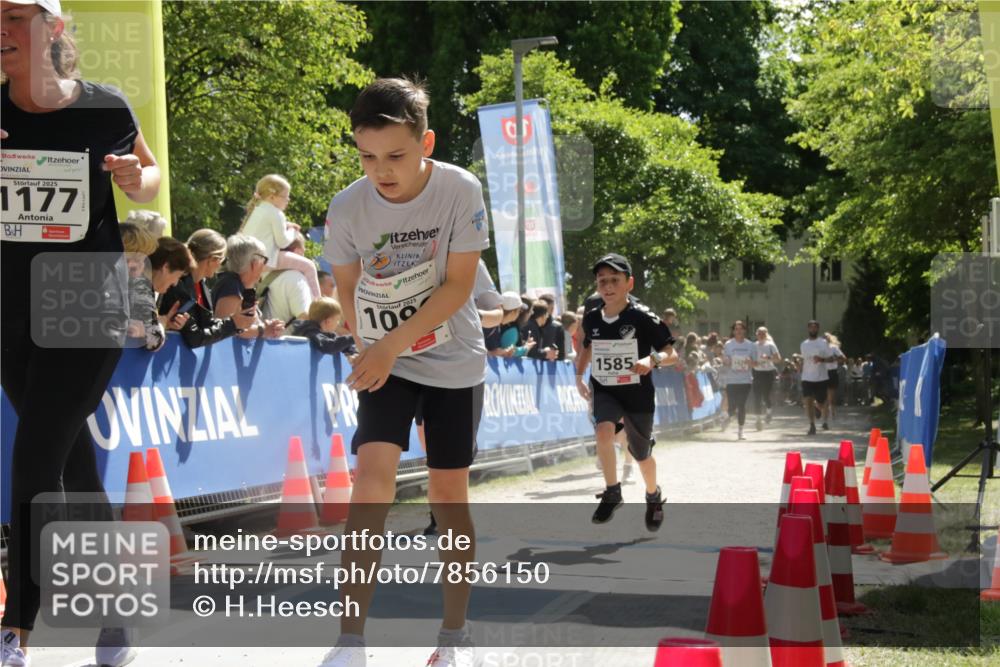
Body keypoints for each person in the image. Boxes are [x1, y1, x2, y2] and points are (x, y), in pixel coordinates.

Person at [0, 2, 161, 664]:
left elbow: (148, 174)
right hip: (9, 306)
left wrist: (136, 178)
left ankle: (17, 628)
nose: (2, 29)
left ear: (54, 27)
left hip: (83, 300)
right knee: (71, 460)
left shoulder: (103, 105)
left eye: (15, 15)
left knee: (36, 456)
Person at [320, 77, 489, 667]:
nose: (381, 171)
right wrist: (372, 347)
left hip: (454, 358)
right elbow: (347, 290)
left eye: (395, 155)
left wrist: (390, 345)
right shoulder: (346, 207)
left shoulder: (460, 189)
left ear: (426, 143)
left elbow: (459, 286)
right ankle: (349, 642)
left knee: (448, 496)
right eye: (367, 157)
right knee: (371, 484)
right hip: (385, 358)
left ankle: (455, 637)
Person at [575, 253, 676, 529]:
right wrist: (579, 376)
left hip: (637, 394)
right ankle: (612, 491)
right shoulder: (592, 318)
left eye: (614, 280)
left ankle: (653, 495)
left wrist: (651, 360)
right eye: (602, 281)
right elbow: (587, 347)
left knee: (641, 455)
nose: (608, 286)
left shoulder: (643, 317)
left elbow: (671, 353)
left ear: (629, 283)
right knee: (603, 432)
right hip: (605, 389)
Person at [159, 229, 254, 348]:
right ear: (212, 259)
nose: (221, 266)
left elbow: (207, 324)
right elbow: (194, 337)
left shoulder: (201, 284)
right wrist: (233, 324)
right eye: (222, 260)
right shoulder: (179, 285)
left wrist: (237, 321)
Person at [240, 173, 322, 299]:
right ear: (272, 197)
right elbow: (282, 242)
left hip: (248, 261)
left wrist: (286, 225)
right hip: (265, 260)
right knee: (309, 266)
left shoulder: (258, 209)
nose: (288, 200)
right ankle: (318, 303)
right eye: (285, 196)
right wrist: (293, 232)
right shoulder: (276, 213)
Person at [212, 233, 285, 340]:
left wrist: (270, 327)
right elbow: (224, 331)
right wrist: (264, 330)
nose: (265, 266)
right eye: (264, 260)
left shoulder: (240, 286)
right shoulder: (231, 285)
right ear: (254, 263)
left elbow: (242, 325)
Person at [259, 232, 313, 324]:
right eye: (303, 251)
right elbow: (305, 317)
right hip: (285, 333)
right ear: (297, 251)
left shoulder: (260, 274)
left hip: (259, 331)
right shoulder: (296, 278)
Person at [288, 298, 357, 356]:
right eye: (337, 320)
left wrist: (350, 351)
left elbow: (339, 344)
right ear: (328, 321)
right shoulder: (311, 333)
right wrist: (353, 337)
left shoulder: (327, 334)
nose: (338, 323)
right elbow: (330, 346)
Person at [722, 321, 756, 440]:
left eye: (741, 329)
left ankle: (740, 432)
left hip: (745, 380)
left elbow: (755, 363)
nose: (739, 331)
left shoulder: (751, 345)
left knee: (741, 405)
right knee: (732, 407)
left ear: (744, 330)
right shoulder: (728, 344)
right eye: (736, 329)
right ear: (733, 331)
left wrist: (750, 362)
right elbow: (725, 359)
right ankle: (728, 417)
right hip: (731, 380)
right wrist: (727, 361)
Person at [800, 320, 834, 435]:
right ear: (808, 329)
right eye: (811, 327)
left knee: (821, 402)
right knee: (808, 401)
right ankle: (812, 425)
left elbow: (832, 358)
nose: (813, 329)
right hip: (807, 377)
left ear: (818, 329)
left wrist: (821, 359)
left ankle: (818, 407)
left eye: (815, 327)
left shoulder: (824, 343)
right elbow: (805, 359)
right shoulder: (804, 344)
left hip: (821, 378)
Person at [752, 326, 780, 429]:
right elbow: (750, 358)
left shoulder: (770, 345)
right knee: (757, 397)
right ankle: (758, 420)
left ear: (766, 334)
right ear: (756, 334)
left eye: (763, 333)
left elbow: (778, 359)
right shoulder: (753, 345)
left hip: (768, 373)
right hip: (757, 372)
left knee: (766, 395)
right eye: (759, 333)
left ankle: (768, 412)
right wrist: (752, 363)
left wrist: (768, 357)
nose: (761, 335)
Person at [496, 292, 534, 358]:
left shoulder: (496, 324)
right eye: (519, 310)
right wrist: (525, 348)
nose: (520, 313)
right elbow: (507, 352)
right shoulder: (511, 329)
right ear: (513, 312)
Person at [823, 332, 846, 424]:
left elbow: (843, 358)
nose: (825, 339)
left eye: (827, 337)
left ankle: (832, 413)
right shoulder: (819, 348)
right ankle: (825, 414)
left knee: (831, 396)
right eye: (824, 337)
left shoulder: (834, 348)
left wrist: (834, 359)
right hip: (822, 373)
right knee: (822, 395)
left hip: (832, 372)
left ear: (830, 339)